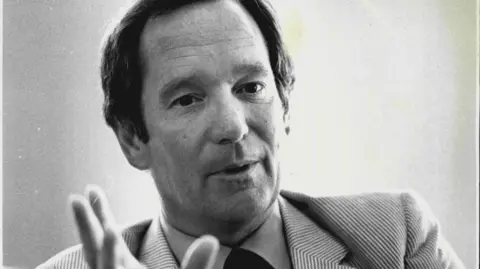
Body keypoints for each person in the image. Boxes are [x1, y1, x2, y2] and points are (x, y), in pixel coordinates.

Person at [37, 0, 465, 268]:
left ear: (285, 106)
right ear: (133, 138)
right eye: (187, 99)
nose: (233, 126)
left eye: (251, 88)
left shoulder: (395, 239)